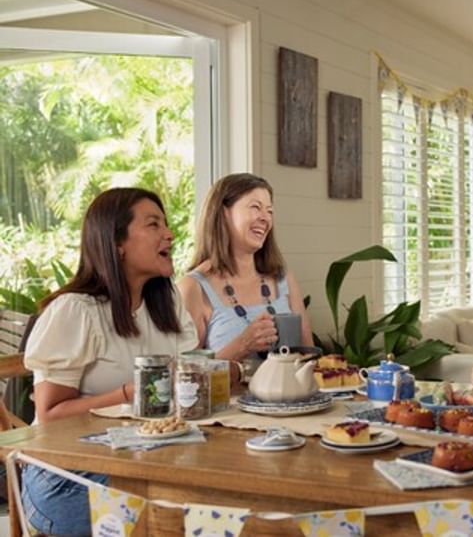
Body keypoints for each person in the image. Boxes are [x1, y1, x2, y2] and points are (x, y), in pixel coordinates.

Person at [22, 188, 198, 535]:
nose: (169, 234)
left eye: (166, 224)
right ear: (117, 243)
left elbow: (187, 376)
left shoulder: (166, 304)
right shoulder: (76, 310)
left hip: (143, 460)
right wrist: (130, 394)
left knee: (215, 498)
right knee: (181, 513)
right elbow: (49, 415)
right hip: (66, 475)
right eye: (153, 224)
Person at [178, 173, 313, 377]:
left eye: (270, 211)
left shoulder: (283, 278)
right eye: (255, 207)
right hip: (231, 408)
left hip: (292, 404)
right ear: (223, 212)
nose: (265, 218)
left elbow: (311, 358)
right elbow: (188, 377)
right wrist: (243, 345)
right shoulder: (193, 287)